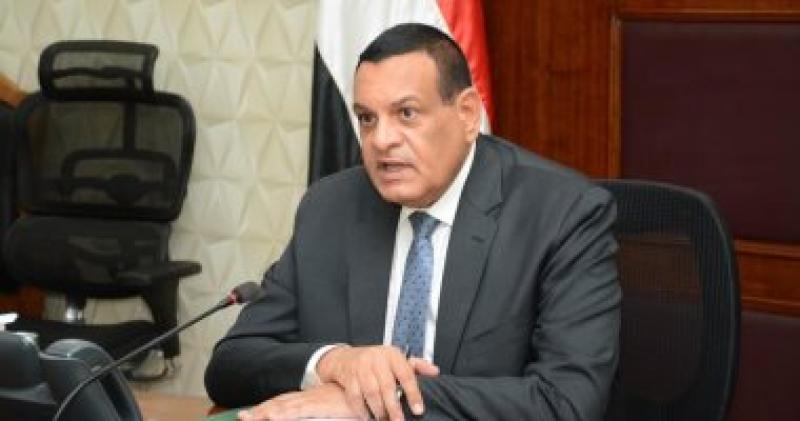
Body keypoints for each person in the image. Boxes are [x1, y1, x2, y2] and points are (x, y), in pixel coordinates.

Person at [205, 23, 620, 421]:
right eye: (367, 118)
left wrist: (381, 399)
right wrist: (334, 363)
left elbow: (566, 403)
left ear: (467, 114)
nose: (381, 140)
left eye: (406, 113)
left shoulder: (563, 215)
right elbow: (230, 364)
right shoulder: (329, 207)